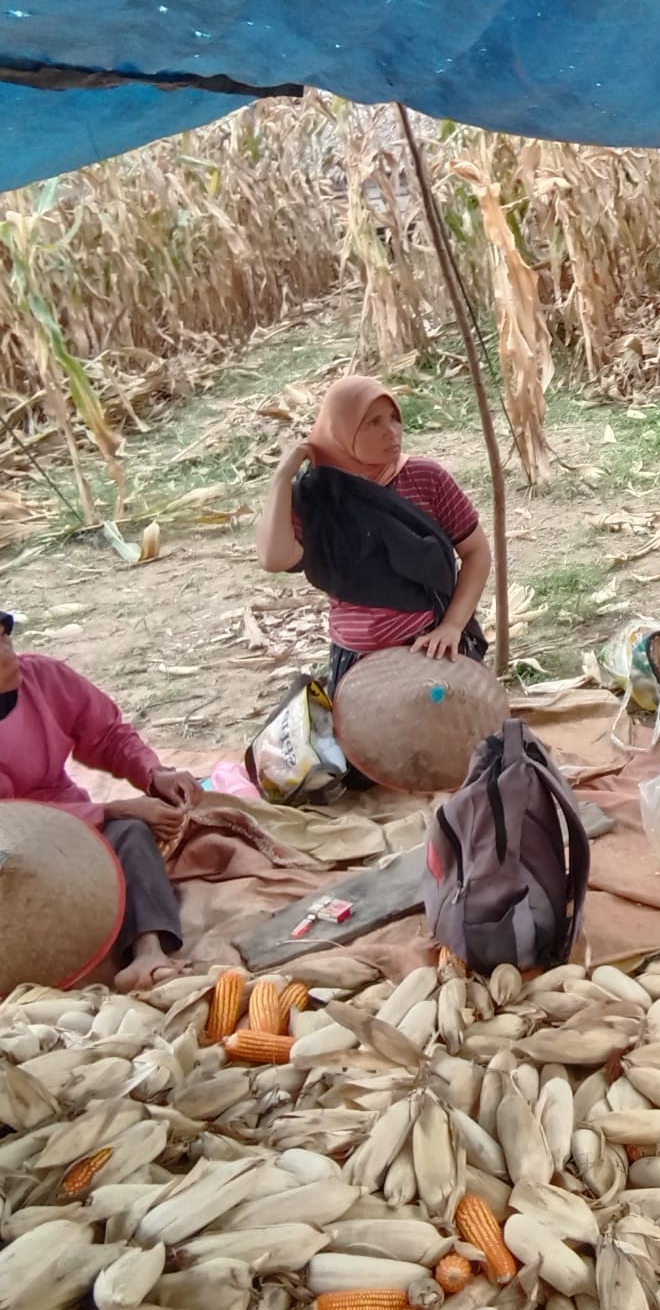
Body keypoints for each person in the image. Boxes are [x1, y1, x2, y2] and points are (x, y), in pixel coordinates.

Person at [0, 609, 203, 990]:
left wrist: (154, 774)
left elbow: (107, 735)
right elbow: (9, 821)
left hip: (71, 821)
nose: (7, 653)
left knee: (130, 835)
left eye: (3, 636)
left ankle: (149, 951)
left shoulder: (43, 678)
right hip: (8, 841)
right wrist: (112, 808)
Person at [256, 374, 492, 692]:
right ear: (342, 431)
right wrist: (282, 479)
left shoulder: (426, 478)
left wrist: (452, 626)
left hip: (431, 648)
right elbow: (274, 559)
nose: (392, 432)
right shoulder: (318, 498)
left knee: (453, 733)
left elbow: (476, 553)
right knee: (367, 738)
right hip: (357, 661)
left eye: (395, 418)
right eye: (373, 423)